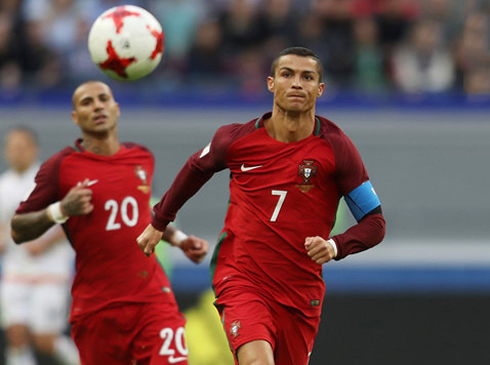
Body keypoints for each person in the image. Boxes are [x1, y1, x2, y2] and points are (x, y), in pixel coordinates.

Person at [137, 47, 386, 365]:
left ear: (319, 89)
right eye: (287, 75)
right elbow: (196, 168)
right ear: (271, 83)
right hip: (242, 276)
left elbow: (375, 223)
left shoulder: (337, 148)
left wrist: (335, 246)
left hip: (300, 290)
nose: (296, 83)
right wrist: (159, 221)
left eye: (307, 77)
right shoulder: (235, 140)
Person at [10, 81, 209, 365]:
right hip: (97, 309)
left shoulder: (142, 158)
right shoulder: (61, 167)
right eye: (87, 102)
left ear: (116, 109)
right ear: (75, 118)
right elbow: (17, 229)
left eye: (103, 99)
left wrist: (179, 239)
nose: (97, 106)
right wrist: (60, 210)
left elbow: (142, 218)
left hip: (152, 299)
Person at [0, 126, 80, 365]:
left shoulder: (50, 180)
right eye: (12, 147)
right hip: (15, 271)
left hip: (50, 270)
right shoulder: (3, 186)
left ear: (35, 149)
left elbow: (72, 219)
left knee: (44, 339)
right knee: (16, 334)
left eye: (22, 147)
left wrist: (43, 243)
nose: (17, 152)